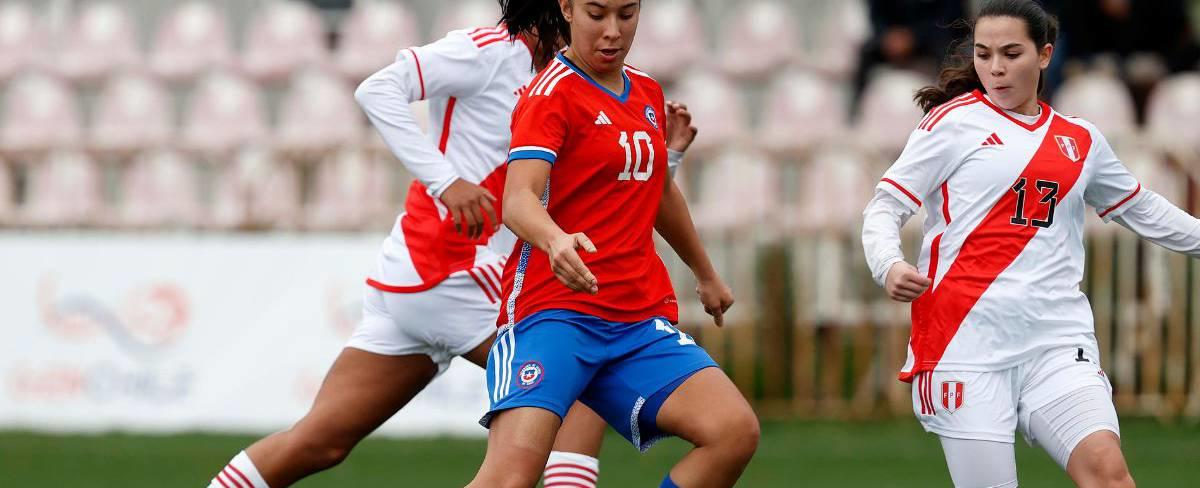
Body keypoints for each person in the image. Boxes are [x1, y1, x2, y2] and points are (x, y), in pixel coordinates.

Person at [204, 13, 696, 487]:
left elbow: (610, 195)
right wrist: (446, 183)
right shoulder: (489, 51)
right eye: (592, 11)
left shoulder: (574, 81)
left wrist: (664, 157)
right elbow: (376, 89)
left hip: (426, 279)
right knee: (586, 372)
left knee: (319, 442)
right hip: (451, 270)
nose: (606, 27)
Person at [862, 1, 1200, 487]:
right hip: (965, 345)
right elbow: (884, 206)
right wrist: (888, 263)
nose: (995, 68)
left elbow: (1141, 208)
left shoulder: (1079, 139)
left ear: (1044, 55)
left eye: (1011, 53)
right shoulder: (952, 123)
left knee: (1110, 476)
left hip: (1056, 342)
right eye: (983, 54)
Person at [465, 1, 759, 487]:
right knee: (509, 479)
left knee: (734, 432)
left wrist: (705, 273)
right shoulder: (549, 95)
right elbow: (516, 200)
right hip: (554, 315)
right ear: (567, 9)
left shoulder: (645, 89)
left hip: (634, 321)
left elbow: (659, 189)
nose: (612, 32)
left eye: (626, 15)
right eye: (597, 14)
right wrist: (555, 240)